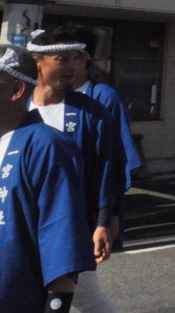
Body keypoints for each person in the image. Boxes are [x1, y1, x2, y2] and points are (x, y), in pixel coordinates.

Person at [26, 31, 122, 313]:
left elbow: (107, 169)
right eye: (61, 59)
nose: (70, 67)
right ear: (38, 61)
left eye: (74, 59)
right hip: (22, 218)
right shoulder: (18, 107)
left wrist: (104, 220)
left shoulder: (91, 112)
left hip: (69, 222)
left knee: (84, 296)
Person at [0, 44, 94, 313]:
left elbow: (60, 236)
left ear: (16, 90)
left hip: (16, 296)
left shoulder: (47, 146)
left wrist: (57, 306)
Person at [53, 24, 143, 191]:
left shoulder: (104, 97)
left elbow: (117, 155)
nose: (63, 64)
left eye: (69, 57)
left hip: (87, 194)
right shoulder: (43, 97)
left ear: (84, 57)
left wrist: (108, 210)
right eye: (58, 57)